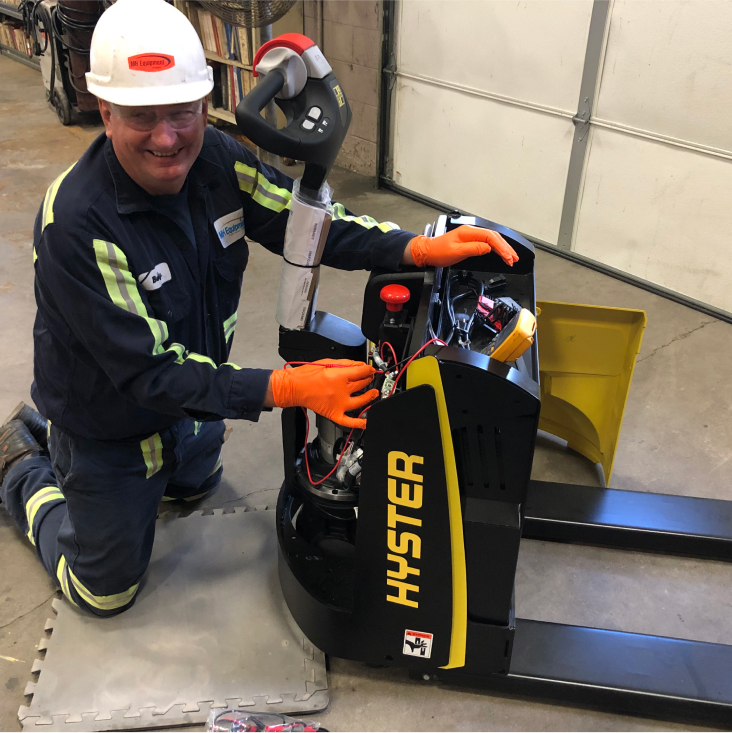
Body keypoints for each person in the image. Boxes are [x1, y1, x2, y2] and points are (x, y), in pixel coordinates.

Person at [0, 0, 518, 617]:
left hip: (190, 407)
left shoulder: (216, 158)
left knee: (197, 488)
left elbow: (307, 227)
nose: (167, 138)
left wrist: (415, 246)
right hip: (109, 424)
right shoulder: (77, 226)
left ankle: (142, 470)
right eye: (141, 116)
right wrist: (288, 386)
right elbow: (150, 374)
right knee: (103, 593)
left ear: (204, 104)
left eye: (182, 112)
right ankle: (24, 463)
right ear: (104, 110)